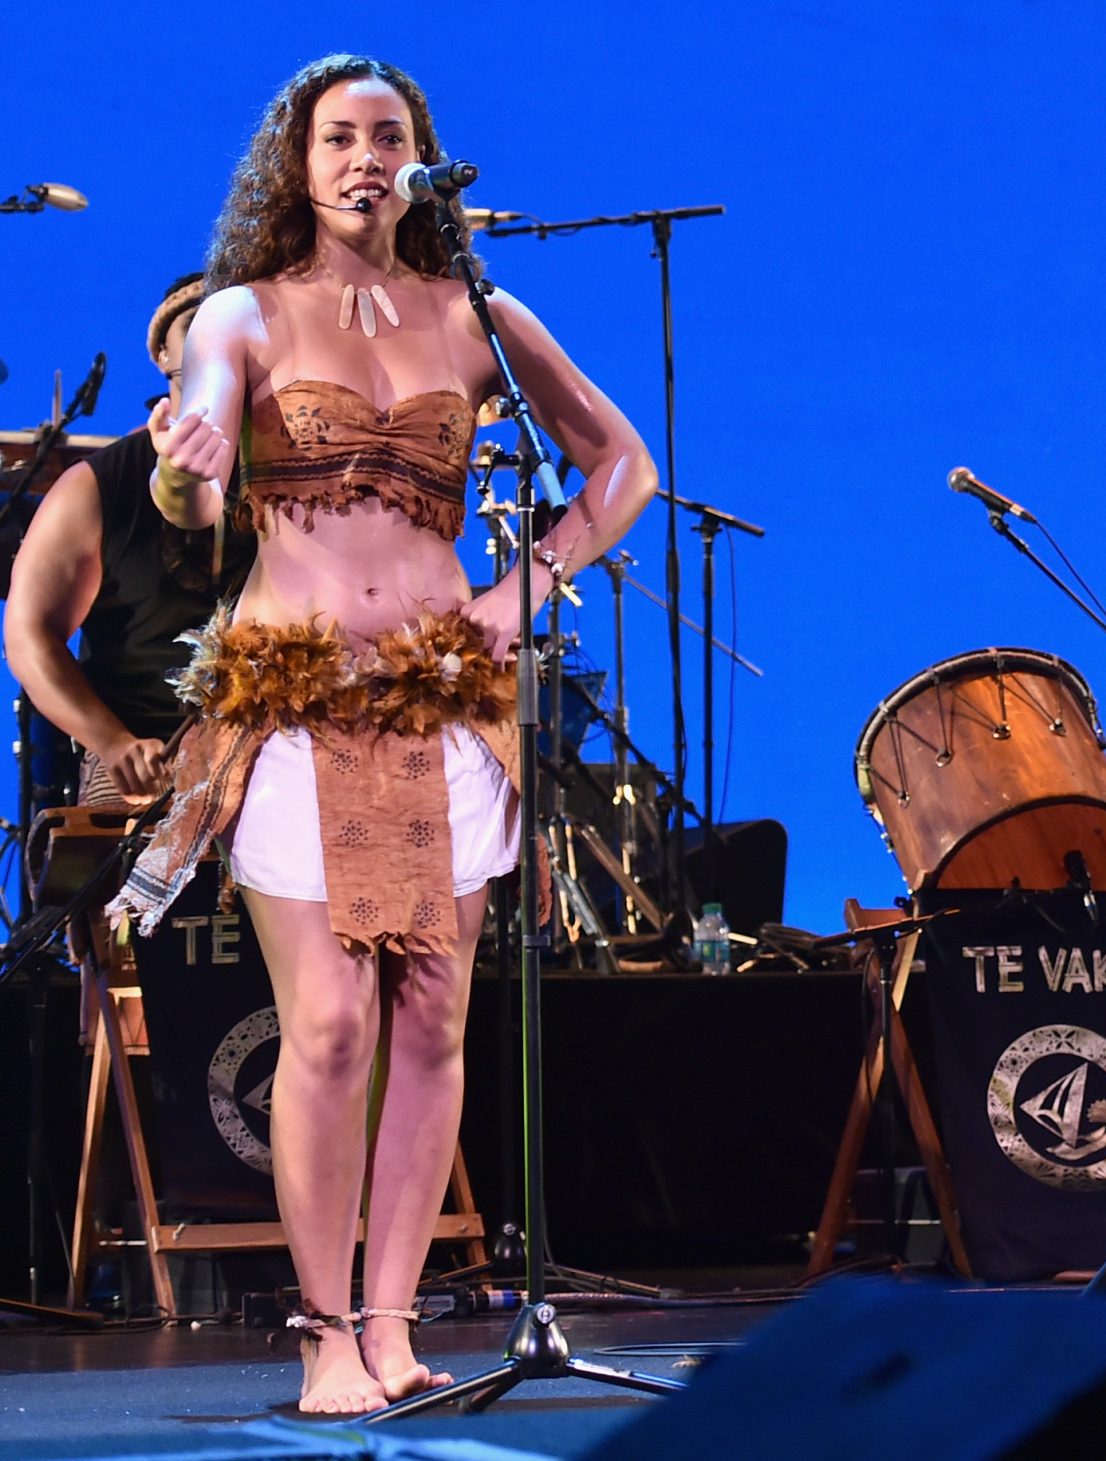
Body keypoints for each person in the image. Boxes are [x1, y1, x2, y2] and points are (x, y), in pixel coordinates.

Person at [108, 55, 656, 1413]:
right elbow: (197, 480)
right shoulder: (240, 314)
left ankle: (396, 1326)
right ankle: (322, 1334)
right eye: (337, 138)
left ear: (421, 159)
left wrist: (519, 592)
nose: (363, 158)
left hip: (440, 706)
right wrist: (182, 466)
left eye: (386, 136)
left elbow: (623, 464)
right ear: (295, 165)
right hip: (293, 705)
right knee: (333, 1022)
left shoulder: (477, 315)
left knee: (429, 1019)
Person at [5, 276, 259, 807]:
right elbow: (29, 631)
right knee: (119, 836)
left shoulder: (302, 477)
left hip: (274, 751)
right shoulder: (99, 484)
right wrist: (112, 742)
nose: (215, 336)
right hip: (140, 753)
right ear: (163, 355)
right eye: (196, 324)